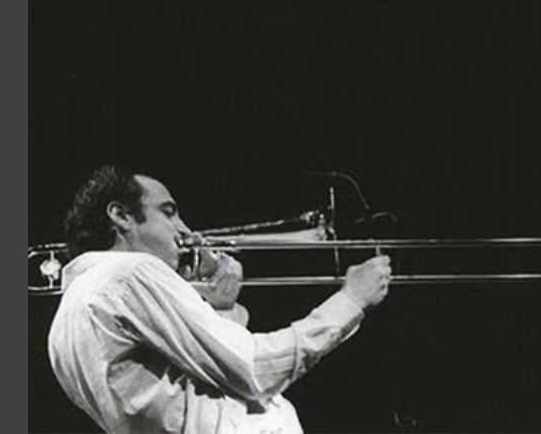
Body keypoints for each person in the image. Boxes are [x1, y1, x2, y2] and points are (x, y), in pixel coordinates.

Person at [47, 165, 392, 434]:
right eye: (168, 212)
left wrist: (219, 310)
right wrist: (350, 300)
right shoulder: (131, 273)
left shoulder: (64, 320)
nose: (185, 229)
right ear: (121, 216)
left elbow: (188, 401)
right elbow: (255, 369)